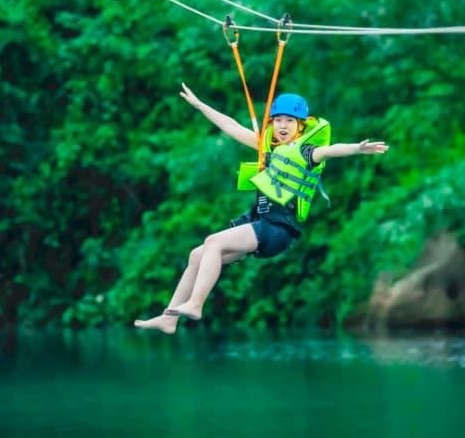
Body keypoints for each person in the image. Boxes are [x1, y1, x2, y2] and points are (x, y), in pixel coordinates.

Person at [134, 82, 388, 334]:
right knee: (196, 256)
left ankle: (196, 304)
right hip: (260, 222)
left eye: (290, 121)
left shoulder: (305, 151)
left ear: (301, 126)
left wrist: (357, 148)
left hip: (277, 228)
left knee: (213, 242)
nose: (283, 126)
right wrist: (201, 105)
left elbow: (331, 150)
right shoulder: (266, 147)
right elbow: (231, 126)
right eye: (278, 120)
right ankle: (169, 319)